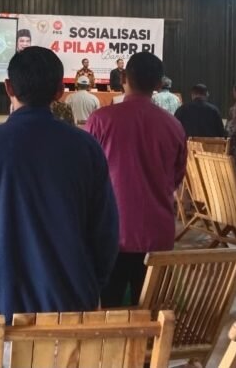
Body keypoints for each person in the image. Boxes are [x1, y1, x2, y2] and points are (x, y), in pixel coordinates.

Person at [0, 47, 118, 347]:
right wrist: (90, 285)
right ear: (59, 90)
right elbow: (105, 232)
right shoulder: (86, 149)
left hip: (0, 305)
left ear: (9, 87)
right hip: (71, 301)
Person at [86, 52, 186, 307]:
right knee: (152, 314)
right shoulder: (173, 126)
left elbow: (86, 177)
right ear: (158, 84)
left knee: (109, 313)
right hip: (157, 235)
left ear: (123, 78)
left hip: (111, 234)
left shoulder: (101, 120)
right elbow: (175, 177)